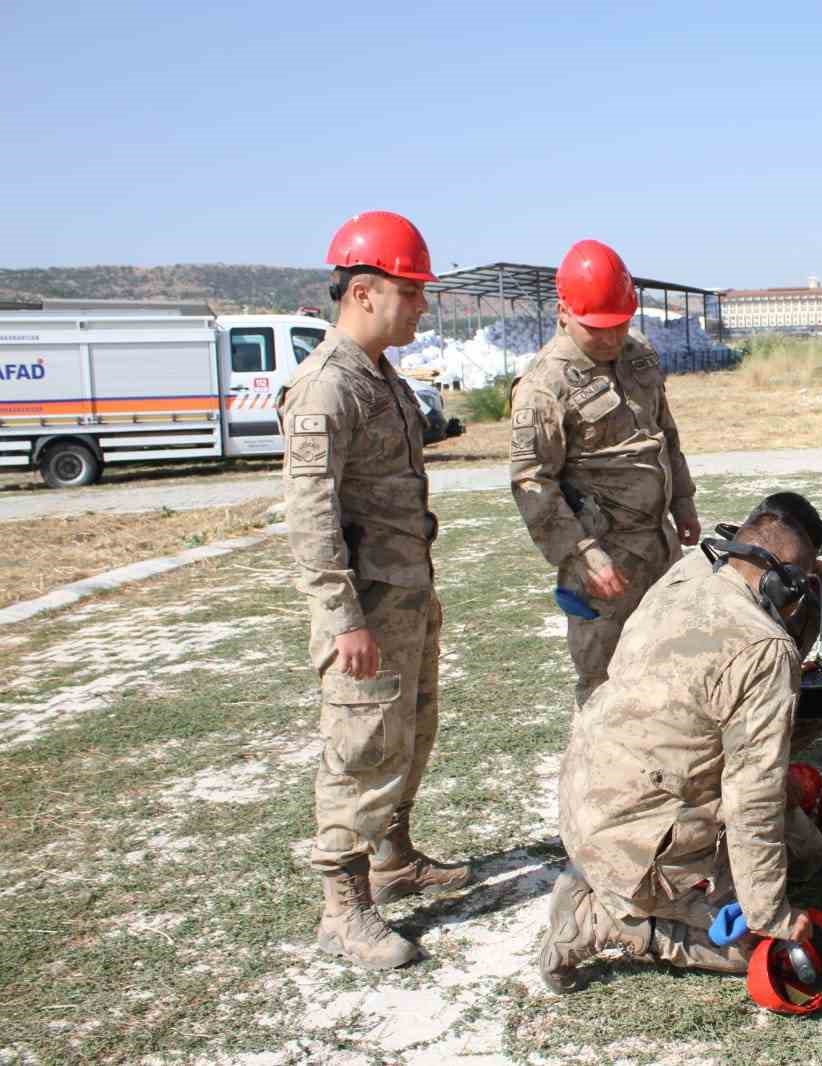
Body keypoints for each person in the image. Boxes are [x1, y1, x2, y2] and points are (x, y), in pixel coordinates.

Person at [278, 211, 471, 970]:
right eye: (411, 291)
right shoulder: (327, 387)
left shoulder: (380, 375)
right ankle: (344, 908)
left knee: (410, 732)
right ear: (363, 291)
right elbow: (310, 520)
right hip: (364, 611)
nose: (422, 305)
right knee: (360, 747)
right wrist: (342, 620)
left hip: (405, 596)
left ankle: (394, 858)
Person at [539, 500, 822, 992]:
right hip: (638, 837)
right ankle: (607, 921)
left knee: (809, 855)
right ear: (784, 584)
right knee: (754, 951)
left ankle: (603, 876)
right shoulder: (764, 649)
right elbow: (752, 799)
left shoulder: (688, 575)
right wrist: (771, 916)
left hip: (590, 798)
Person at [509, 239, 699, 707]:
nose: (613, 338)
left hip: (659, 545)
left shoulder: (638, 354)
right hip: (605, 563)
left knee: (669, 671)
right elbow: (533, 482)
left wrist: (683, 501)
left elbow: (665, 433)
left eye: (621, 324)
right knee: (607, 687)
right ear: (563, 312)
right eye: (599, 329)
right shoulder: (543, 386)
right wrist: (584, 554)